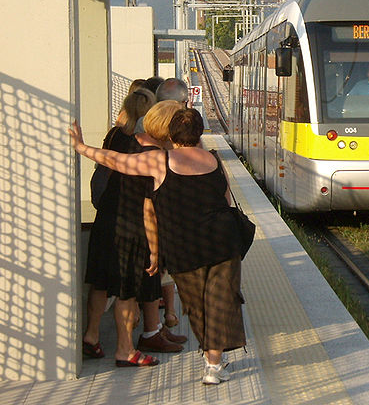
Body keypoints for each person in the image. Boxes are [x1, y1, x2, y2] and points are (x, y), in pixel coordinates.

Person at [70, 108, 245, 385]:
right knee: (221, 301)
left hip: (183, 247)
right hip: (222, 241)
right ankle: (213, 364)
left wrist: (82, 148)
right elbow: (226, 201)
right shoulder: (213, 159)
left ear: (170, 134)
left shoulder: (159, 160)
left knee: (197, 304)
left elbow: (117, 161)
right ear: (199, 133)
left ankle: (211, 358)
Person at [82, 89, 157, 366]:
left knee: (100, 279)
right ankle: (125, 350)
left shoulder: (114, 135)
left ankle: (91, 336)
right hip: (131, 216)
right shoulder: (146, 144)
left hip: (107, 211)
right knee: (127, 285)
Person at [115, 100, 188, 358]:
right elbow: (149, 202)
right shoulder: (150, 154)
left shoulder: (145, 144)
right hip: (134, 228)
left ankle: (152, 332)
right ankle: (125, 349)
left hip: (139, 225)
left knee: (148, 283)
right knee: (128, 289)